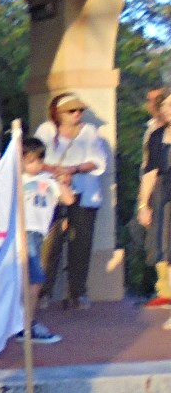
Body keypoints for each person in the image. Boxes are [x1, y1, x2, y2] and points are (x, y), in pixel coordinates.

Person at [0, 137, 68, 345]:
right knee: (34, 279)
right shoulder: (11, 180)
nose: (35, 165)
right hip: (20, 233)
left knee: (26, 280)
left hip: (38, 233)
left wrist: (58, 178)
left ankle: (22, 321)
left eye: (39, 160)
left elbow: (68, 198)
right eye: (30, 161)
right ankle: (26, 324)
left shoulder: (46, 180)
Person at [35, 93, 110, 310]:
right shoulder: (46, 131)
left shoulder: (89, 132)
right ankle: (43, 292)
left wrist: (73, 169)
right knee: (50, 242)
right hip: (53, 192)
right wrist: (57, 172)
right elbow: (35, 159)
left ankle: (78, 292)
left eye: (80, 110)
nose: (77, 114)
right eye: (72, 111)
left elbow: (98, 161)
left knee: (81, 242)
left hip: (84, 194)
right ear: (58, 113)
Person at [138, 91, 171, 309]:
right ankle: (166, 292)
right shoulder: (156, 135)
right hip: (163, 191)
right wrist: (143, 204)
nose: (167, 109)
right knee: (163, 239)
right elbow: (150, 171)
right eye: (165, 105)